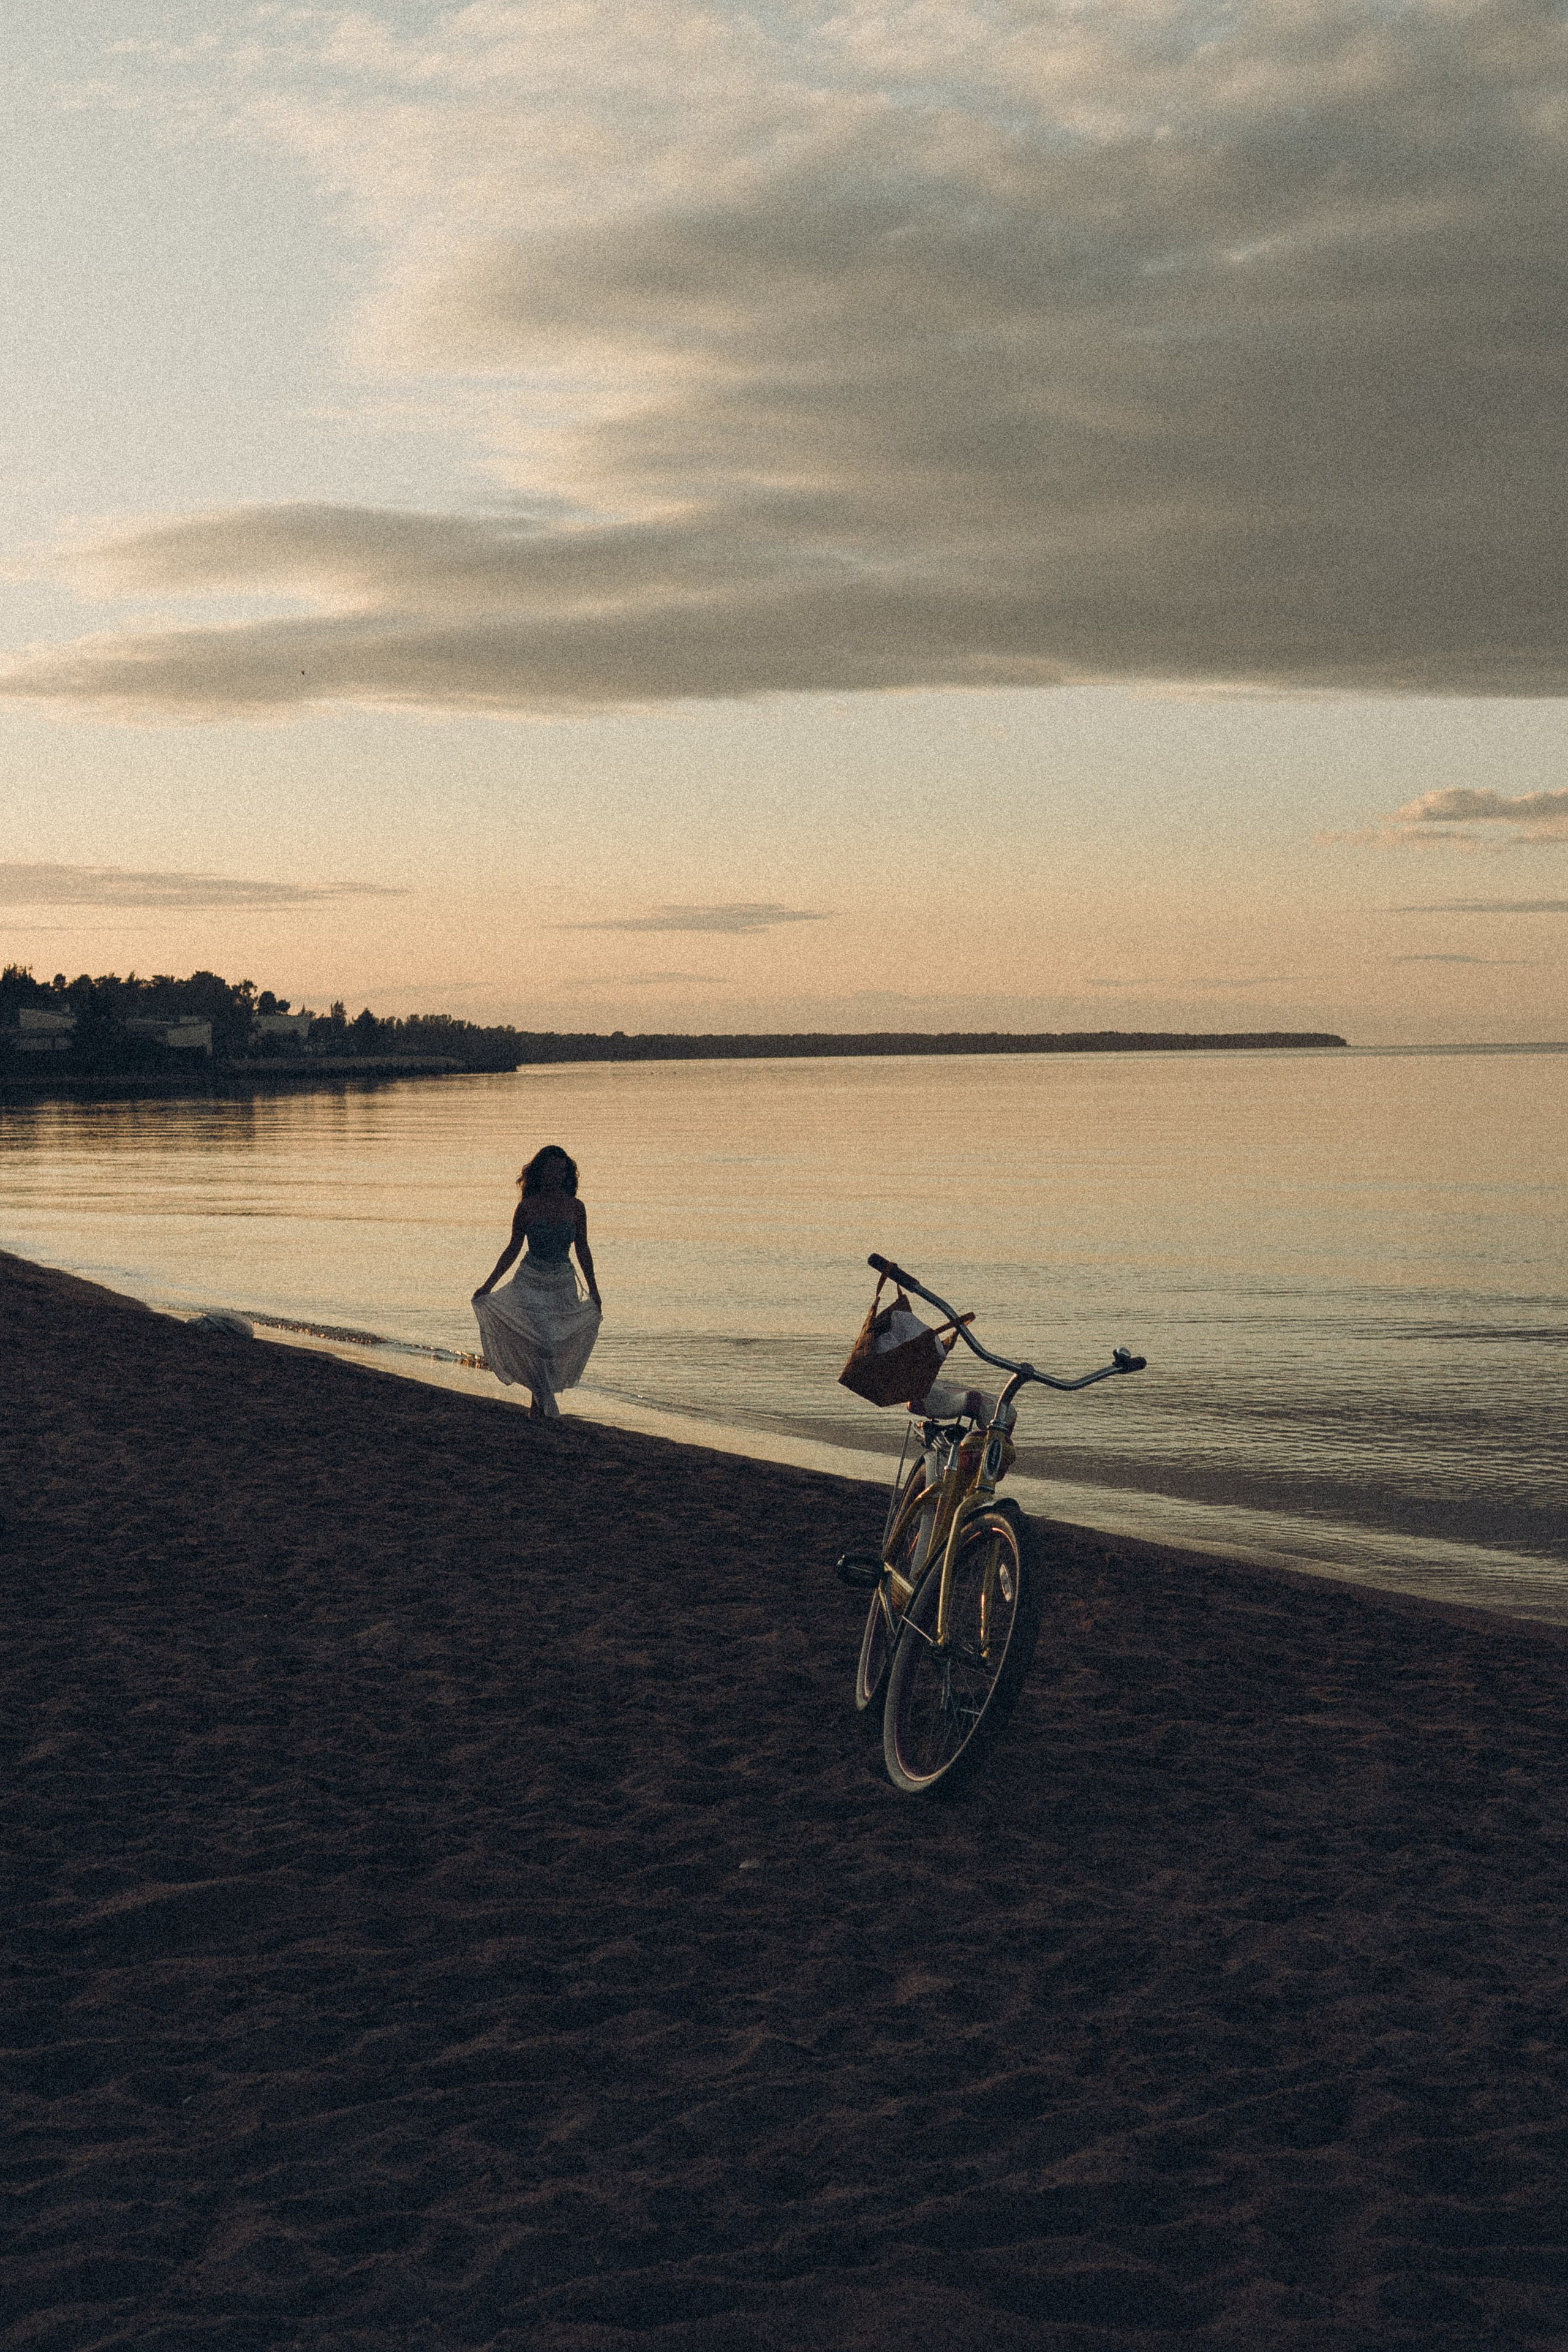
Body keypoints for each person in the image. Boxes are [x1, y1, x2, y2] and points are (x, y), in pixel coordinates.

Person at [472, 1145, 603, 1421]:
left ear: (567, 1175)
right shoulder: (527, 1207)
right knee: (542, 1343)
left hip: (562, 1284)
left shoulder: (576, 1208)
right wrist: (488, 1285)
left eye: (561, 1171)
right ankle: (547, 1403)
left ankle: (537, 1403)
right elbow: (512, 1249)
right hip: (530, 1282)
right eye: (551, 1170)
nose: (556, 1175)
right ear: (540, 1173)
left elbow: (583, 1251)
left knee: (552, 1347)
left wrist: (594, 1289)